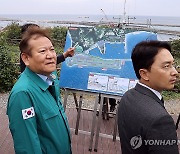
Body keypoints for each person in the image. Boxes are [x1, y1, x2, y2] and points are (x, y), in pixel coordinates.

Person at [7, 28, 72, 153]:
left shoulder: (51, 76)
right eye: (42, 51)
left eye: (52, 49)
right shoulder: (23, 94)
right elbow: (27, 147)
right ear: (26, 58)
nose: (50, 55)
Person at [117, 40, 179, 154]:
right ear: (144, 74)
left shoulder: (128, 96)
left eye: (172, 65)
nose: (175, 72)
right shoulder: (161, 120)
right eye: (166, 66)